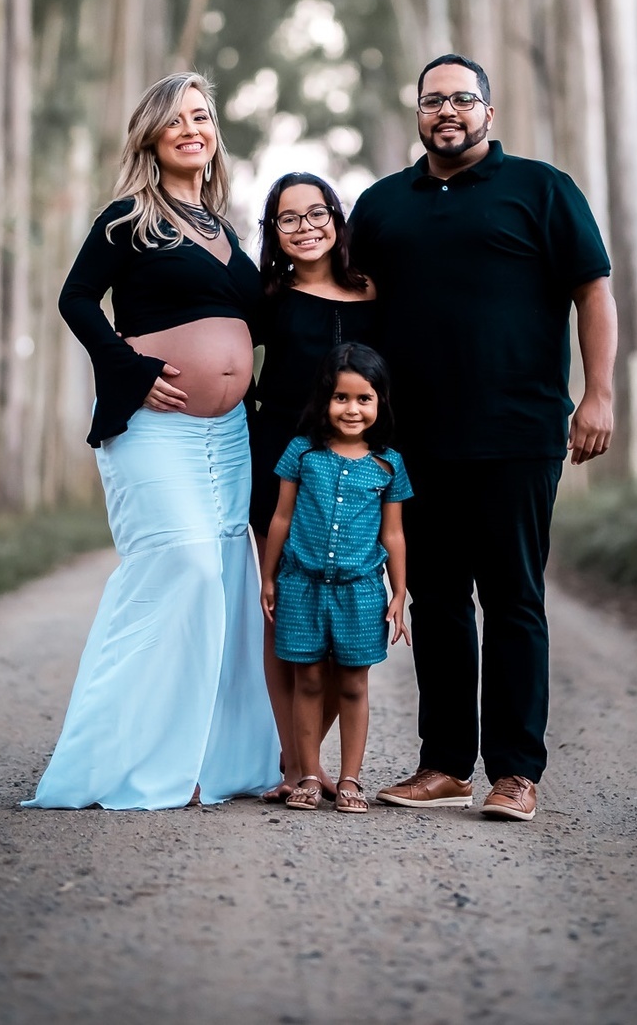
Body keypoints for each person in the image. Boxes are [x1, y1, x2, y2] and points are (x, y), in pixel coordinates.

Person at [350, 54, 617, 823]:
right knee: (435, 600)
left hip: (518, 433)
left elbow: (593, 291)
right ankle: (444, 765)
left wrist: (598, 394)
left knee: (512, 599)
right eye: (433, 100)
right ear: (417, 113)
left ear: (488, 114)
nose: (448, 111)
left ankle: (515, 772)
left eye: (463, 99)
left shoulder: (542, 189)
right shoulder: (381, 206)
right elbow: (349, 307)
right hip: (412, 442)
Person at [23, 71, 278, 812]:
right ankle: (121, 761)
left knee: (225, 583)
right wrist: (128, 369)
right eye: (176, 120)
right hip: (153, 428)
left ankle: (209, 763)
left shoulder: (227, 231)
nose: (191, 129)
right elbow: (76, 299)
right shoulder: (128, 218)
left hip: (229, 436)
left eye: (201, 117)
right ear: (152, 137)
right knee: (183, 568)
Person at [252, 172, 381, 800]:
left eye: (316, 213)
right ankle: (296, 766)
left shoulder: (375, 292)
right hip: (279, 462)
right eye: (288, 218)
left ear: (336, 216)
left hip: (356, 474)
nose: (305, 227)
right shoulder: (267, 297)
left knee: (343, 618)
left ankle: (308, 757)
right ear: (273, 232)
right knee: (287, 616)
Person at [259, 343, 412, 814]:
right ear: (325, 399)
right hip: (301, 586)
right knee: (307, 680)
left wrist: (399, 592)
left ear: (380, 401)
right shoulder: (302, 453)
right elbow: (281, 518)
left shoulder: (389, 464)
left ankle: (349, 780)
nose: (352, 409)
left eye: (364, 398)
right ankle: (307, 776)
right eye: (341, 397)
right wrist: (269, 578)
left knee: (352, 685)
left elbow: (393, 534)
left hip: (360, 594)